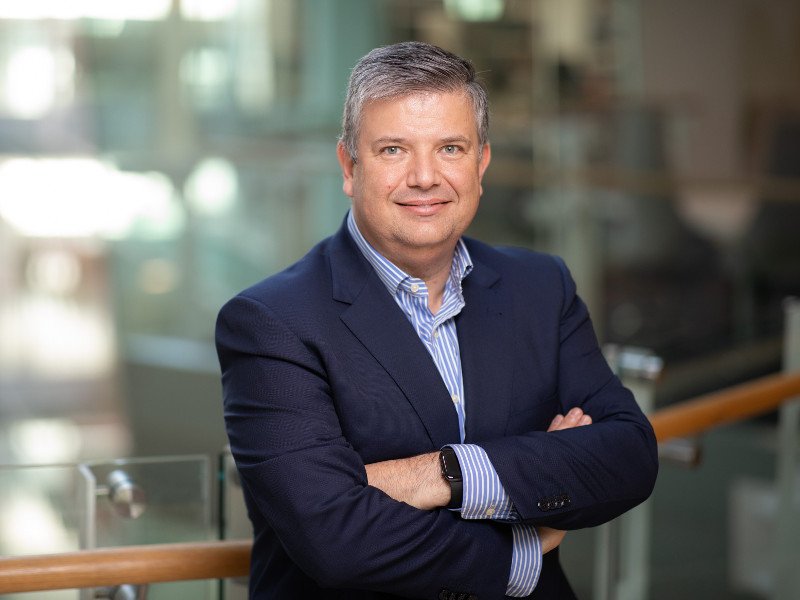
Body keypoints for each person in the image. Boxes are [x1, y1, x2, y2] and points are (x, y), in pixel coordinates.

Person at [216, 41, 658, 600]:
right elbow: (333, 538)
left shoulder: (541, 287)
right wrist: (526, 537)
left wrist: (443, 474)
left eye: (450, 147)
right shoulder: (270, 322)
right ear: (350, 167)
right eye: (394, 150)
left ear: (482, 164)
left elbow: (630, 456)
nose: (425, 177)